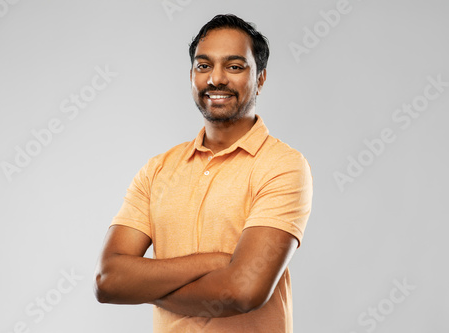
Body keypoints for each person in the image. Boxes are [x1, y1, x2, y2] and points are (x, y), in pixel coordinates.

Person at [94, 14, 313, 333]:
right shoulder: (157, 170)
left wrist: (144, 286)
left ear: (261, 79)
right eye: (203, 65)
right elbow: (109, 281)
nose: (216, 79)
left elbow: (242, 291)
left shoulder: (282, 165)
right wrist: (213, 263)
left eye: (234, 66)